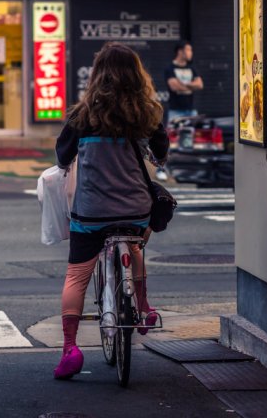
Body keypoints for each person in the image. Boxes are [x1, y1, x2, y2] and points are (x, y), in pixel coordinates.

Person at [53, 42, 169, 380]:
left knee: (76, 275)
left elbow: (62, 158)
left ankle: (70, 350)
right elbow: (160, 155)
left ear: (97, 75)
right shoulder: (148, 112)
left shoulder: (82, 115)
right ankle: (144, 308)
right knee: (134, 243)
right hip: (136, 211)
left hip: (91, 213)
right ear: (137, 74)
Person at [157, 40, 203, 180]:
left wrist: (183, 85)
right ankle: (161, 169)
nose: (190, 53)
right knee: (169, 142)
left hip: (191, 111)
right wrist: (191, 85)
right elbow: (174, 87)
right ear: (180, 51)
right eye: (188, 50)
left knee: (195, 141)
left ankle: (193, 171)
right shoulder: (170, 68)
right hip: (176, 111)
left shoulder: (192, 68)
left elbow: (200, 85)